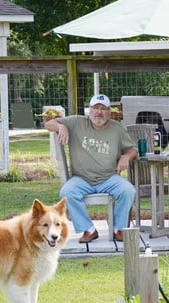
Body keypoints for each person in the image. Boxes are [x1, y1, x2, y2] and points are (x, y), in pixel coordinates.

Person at [45, 94, 137, 243]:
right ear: (89, 110)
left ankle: (119, 229)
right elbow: (48, 124)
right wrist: (60, 126)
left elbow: (133, 149)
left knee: (128, 190)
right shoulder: (76, 122)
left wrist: (126, 157)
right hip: (82, 179)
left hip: (109, 177)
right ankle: (89, 230)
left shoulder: (117, 128)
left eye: (103, 109)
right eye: (95, 108)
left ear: (109, 112)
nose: (99, 112)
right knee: (67, 192)